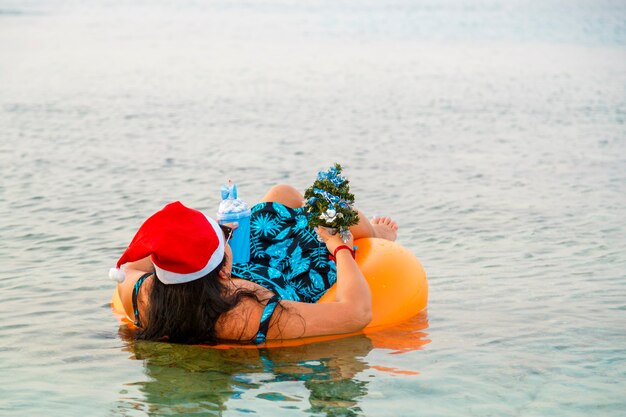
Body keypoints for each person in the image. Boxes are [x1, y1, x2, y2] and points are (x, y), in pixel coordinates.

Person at [110, 184, 398, 345]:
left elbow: (132, 263)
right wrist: (341, 248)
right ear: (223, 269)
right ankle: (377, 233)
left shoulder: (144, 293)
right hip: (288, 280)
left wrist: (188, 242)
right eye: (222, 236)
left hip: (222, 282)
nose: (226, 236)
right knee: (336, 216)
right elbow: (357, 313)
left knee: (281, 195)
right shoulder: (249, 314)